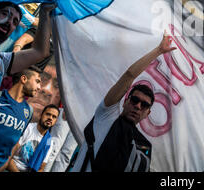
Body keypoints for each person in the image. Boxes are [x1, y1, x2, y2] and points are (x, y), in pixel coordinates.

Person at [72, 34, 176, 172]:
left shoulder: (142, 146)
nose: (138, 106)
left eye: (144, 105)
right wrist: (158, 51)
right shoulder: (106, 116)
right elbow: (129, 75)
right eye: (134, 100)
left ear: (147, 113)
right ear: (125, 101)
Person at [0, 1, 55, 121]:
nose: (9, 22)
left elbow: (41, 52)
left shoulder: (0, 62)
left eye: (15, 21)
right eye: (5, 14)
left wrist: (45, 12)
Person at [0, 66, 42, 172]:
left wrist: (5, 164)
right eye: (37, 81)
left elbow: (16, 141)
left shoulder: (28, 112)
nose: (39, 87)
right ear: (23, 79)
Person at [7, 104, 60, 172]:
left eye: (54, 117)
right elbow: (8, 156)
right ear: (41, 115)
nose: (50, 118)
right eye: (48, 114)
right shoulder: (27, 128)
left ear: (55, 121)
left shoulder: (49, 141)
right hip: (11, 167)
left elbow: (41, 168)